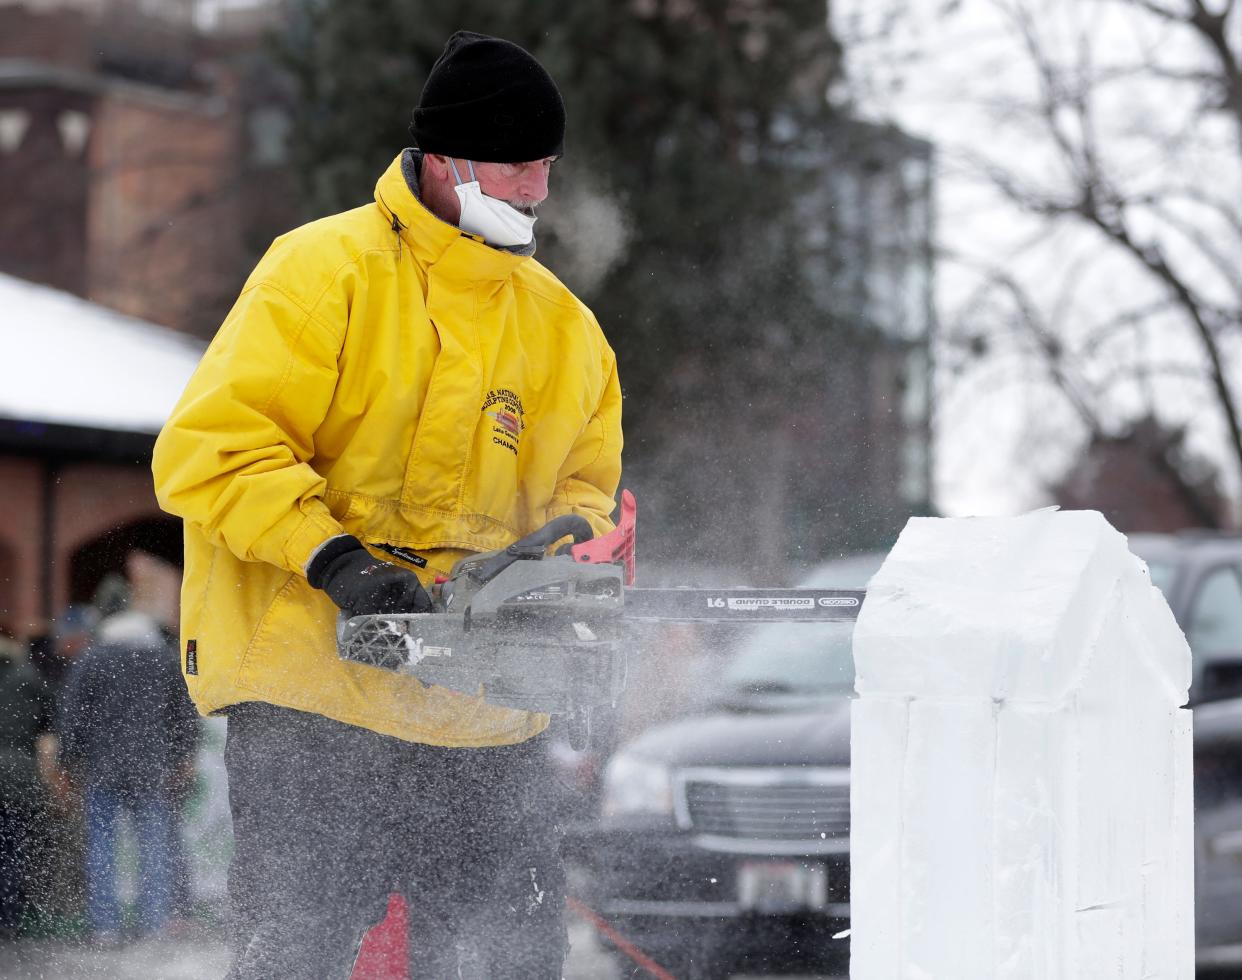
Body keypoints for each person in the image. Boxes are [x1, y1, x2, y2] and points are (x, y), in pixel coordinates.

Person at [151, 30, 623, 980]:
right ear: (443, 161)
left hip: (485, 714)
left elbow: (585, 493)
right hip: (313, 700)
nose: (534, 189)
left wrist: (565, 590)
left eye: (546, 167)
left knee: (512, 960)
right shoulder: (322, 274)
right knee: (296, 959)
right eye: (515, 165)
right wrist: (336, 561)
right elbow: (213, 449)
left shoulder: (568, 332)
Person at [55, 609, 200, 945]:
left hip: (103, 768)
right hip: (151, 768)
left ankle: (105, 925)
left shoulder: (93, 659)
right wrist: (183, 756)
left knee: (102, 848)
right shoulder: (163, 660)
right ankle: (155, 923)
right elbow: (183, 712)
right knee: (154, 847)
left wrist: (68, 760)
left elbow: (74, 711)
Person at [0, 632, 54, 939]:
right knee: (12, 849)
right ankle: (9, 918)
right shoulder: (28, 676)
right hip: (19, 776)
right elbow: (49, 723)